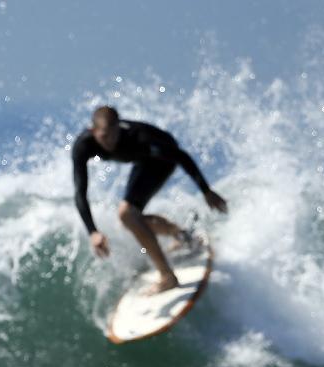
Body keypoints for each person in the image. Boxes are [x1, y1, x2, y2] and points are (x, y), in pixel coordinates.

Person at [72, 105, 228, 293]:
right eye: (105, 136)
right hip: (143, 161)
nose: (111, 142)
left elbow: (180, 156)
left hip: (163, 159)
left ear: (119, 128)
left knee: (127, 215)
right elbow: (80, 192)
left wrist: (206, 191)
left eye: (114, 134)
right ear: (93, 131)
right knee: (130, 219)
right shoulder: (83, 146)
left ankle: (167, 277)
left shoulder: (139, 138)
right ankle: (181, 235)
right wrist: (93, 232)